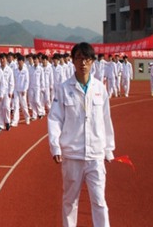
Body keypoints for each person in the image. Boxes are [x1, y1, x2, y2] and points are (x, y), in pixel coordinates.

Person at [48, 42, 115, 227]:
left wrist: (109, 149)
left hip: (95, 155)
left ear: (93, 62)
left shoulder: (100, 89)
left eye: (86, 59)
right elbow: (54, 118)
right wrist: (55, 146)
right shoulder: (63, 89)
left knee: (99, 201)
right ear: (72, 61)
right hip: (72, 155)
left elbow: (106, 120)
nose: (82, 63)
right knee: (70, 201)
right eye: (78, 58)